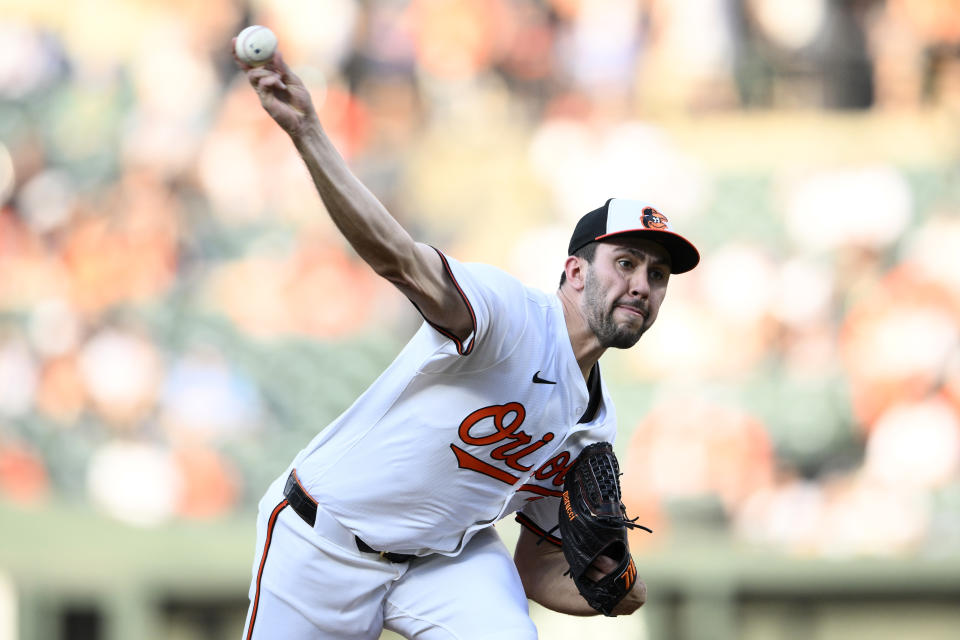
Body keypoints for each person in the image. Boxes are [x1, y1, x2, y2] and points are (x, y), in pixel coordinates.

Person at [235, 45, 700, 640]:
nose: (641, 285)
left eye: (657, 276)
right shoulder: (508, 316)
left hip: (446, 562)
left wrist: (611, 587)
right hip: (323, 539)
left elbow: (538, 569)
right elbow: (399, 259)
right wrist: (308, 133)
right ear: (575, 273)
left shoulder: (592, 425)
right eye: (627, 262)